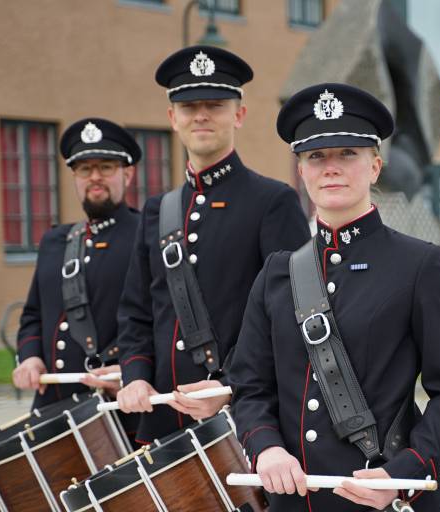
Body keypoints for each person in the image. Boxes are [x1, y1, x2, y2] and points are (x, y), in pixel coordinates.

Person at [229, 83, 440, 511]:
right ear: (301, 171)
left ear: (375, 166)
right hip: (295, 501)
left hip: (383, 499)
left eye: (347, 154)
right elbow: (250, 387)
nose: (331, 168)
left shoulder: (420, 265)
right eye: (316, 157)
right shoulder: (276, 274)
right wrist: (265, 447)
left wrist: (405, 473)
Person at [115, 46, 310, 443]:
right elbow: (136, 312)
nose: (201, 115)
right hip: (164, 421)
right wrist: (134, 377)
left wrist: (228, 387)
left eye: (215, 104)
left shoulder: (273, 201)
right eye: (188, 106)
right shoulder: (157, 210)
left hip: (243, 420)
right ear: (173, 118)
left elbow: (292, 314)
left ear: (239, 114)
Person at [13, 118, 141, 421]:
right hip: (53, 408)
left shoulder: (145, 236)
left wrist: (134, 371)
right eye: (85, 169)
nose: (94, 177)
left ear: (128, 174)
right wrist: (30, 357)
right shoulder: (54, 241)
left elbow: (160, 320)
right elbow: (33, 315)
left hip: (116, 409)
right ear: (74, 176)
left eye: (106, 167)